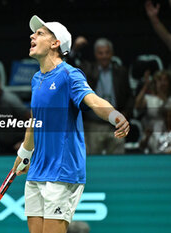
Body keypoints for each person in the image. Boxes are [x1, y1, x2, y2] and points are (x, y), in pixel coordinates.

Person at [12, 15, 130, 233]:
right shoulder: (37, 79)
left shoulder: (69, 75)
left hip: (62, 171)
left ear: (56, 43)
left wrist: (115, 116)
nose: (32, 35)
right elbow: (35, 120)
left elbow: (93, 99)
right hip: (37, 171)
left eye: (40, 33)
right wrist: (25, 153)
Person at [70, 37, 133, 154]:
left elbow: (129, 96)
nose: (104, 56)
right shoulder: (87, 69)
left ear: (112, 54)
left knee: (118, 163)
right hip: (93, 125)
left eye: (107, 53)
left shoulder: (121, 71)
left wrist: (125, 113)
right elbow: (68, 66)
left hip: (116, 124)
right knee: (92, 163)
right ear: (95, 54)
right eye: (100, 53)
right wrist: (75, 49)